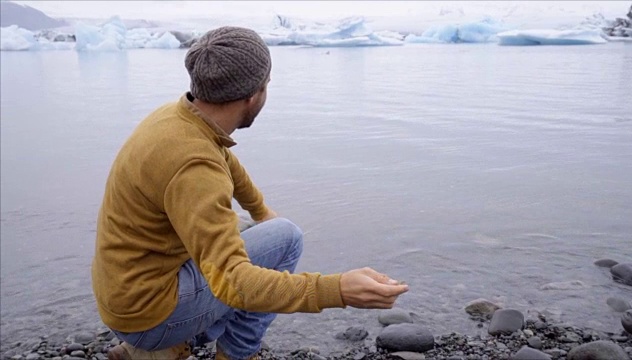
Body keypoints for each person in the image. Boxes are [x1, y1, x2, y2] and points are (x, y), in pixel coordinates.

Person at [92, 26, 409, 360]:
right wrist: (337, 289)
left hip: (125, 292)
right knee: (287, 239)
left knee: (250, 229)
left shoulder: (176, 119)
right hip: (147, 316)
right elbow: (234, 283)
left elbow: (224, 158)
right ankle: (230, 352)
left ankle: (168, 347)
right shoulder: (196, 168)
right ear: (254, 94)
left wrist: (261, 212)